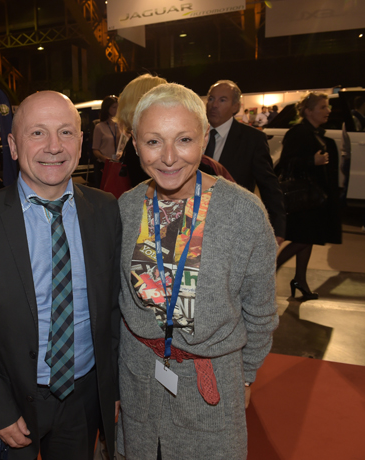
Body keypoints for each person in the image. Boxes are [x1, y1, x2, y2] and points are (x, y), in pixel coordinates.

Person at [0, 91, 121, 460]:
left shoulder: (106, 210)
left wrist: (116, 390)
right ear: (12, 145)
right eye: (37, 133)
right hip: (10, 398)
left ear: (81, 141)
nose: (54, 147)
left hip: (84, 397)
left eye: (66, 132)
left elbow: (114, 312)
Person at [117, 83, 278, 460]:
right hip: (138, 378)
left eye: (184, 139)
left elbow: (260, 311)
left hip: (212, 388)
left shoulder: (244, 213)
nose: (169, 157)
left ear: (205, 139)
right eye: (154, 141)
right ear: (136, 144)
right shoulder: (125, 208)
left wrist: (246, 373)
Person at [275, 92, 342, 299]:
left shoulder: (316, 133)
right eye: (323, 107)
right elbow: (285, 163)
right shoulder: (299, 133)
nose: (328, 111)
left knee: (308, 238)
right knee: (303, 239)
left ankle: (300, 280)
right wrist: (311, 161)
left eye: (327, 107)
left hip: (314, 199)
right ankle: (270, 270)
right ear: (308, 111)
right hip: (302, 198)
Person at [205, 80, 286, 243]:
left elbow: (268, 184)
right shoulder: (192, 134)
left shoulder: (252, 139)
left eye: (222, 100)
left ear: (236, 107)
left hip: (231, 226)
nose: (214, 105)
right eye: (211, 98)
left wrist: (278, 227)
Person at [92, 95, 120, 187]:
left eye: (118, 107)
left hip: (119, 164)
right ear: (107, 109)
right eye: (114, 107)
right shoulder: (99, 127)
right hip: (105, 166)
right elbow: (95, 149)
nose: (117, 110)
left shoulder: (120, 125)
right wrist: (104, 158)